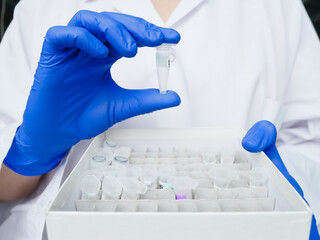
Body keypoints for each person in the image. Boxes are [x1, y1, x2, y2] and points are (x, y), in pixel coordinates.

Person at [0, 0, 319, 239]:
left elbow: (312, 145)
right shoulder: (42, 6)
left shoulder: (278, 8)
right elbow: (4, 185)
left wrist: (286, 185)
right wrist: (28, 152)